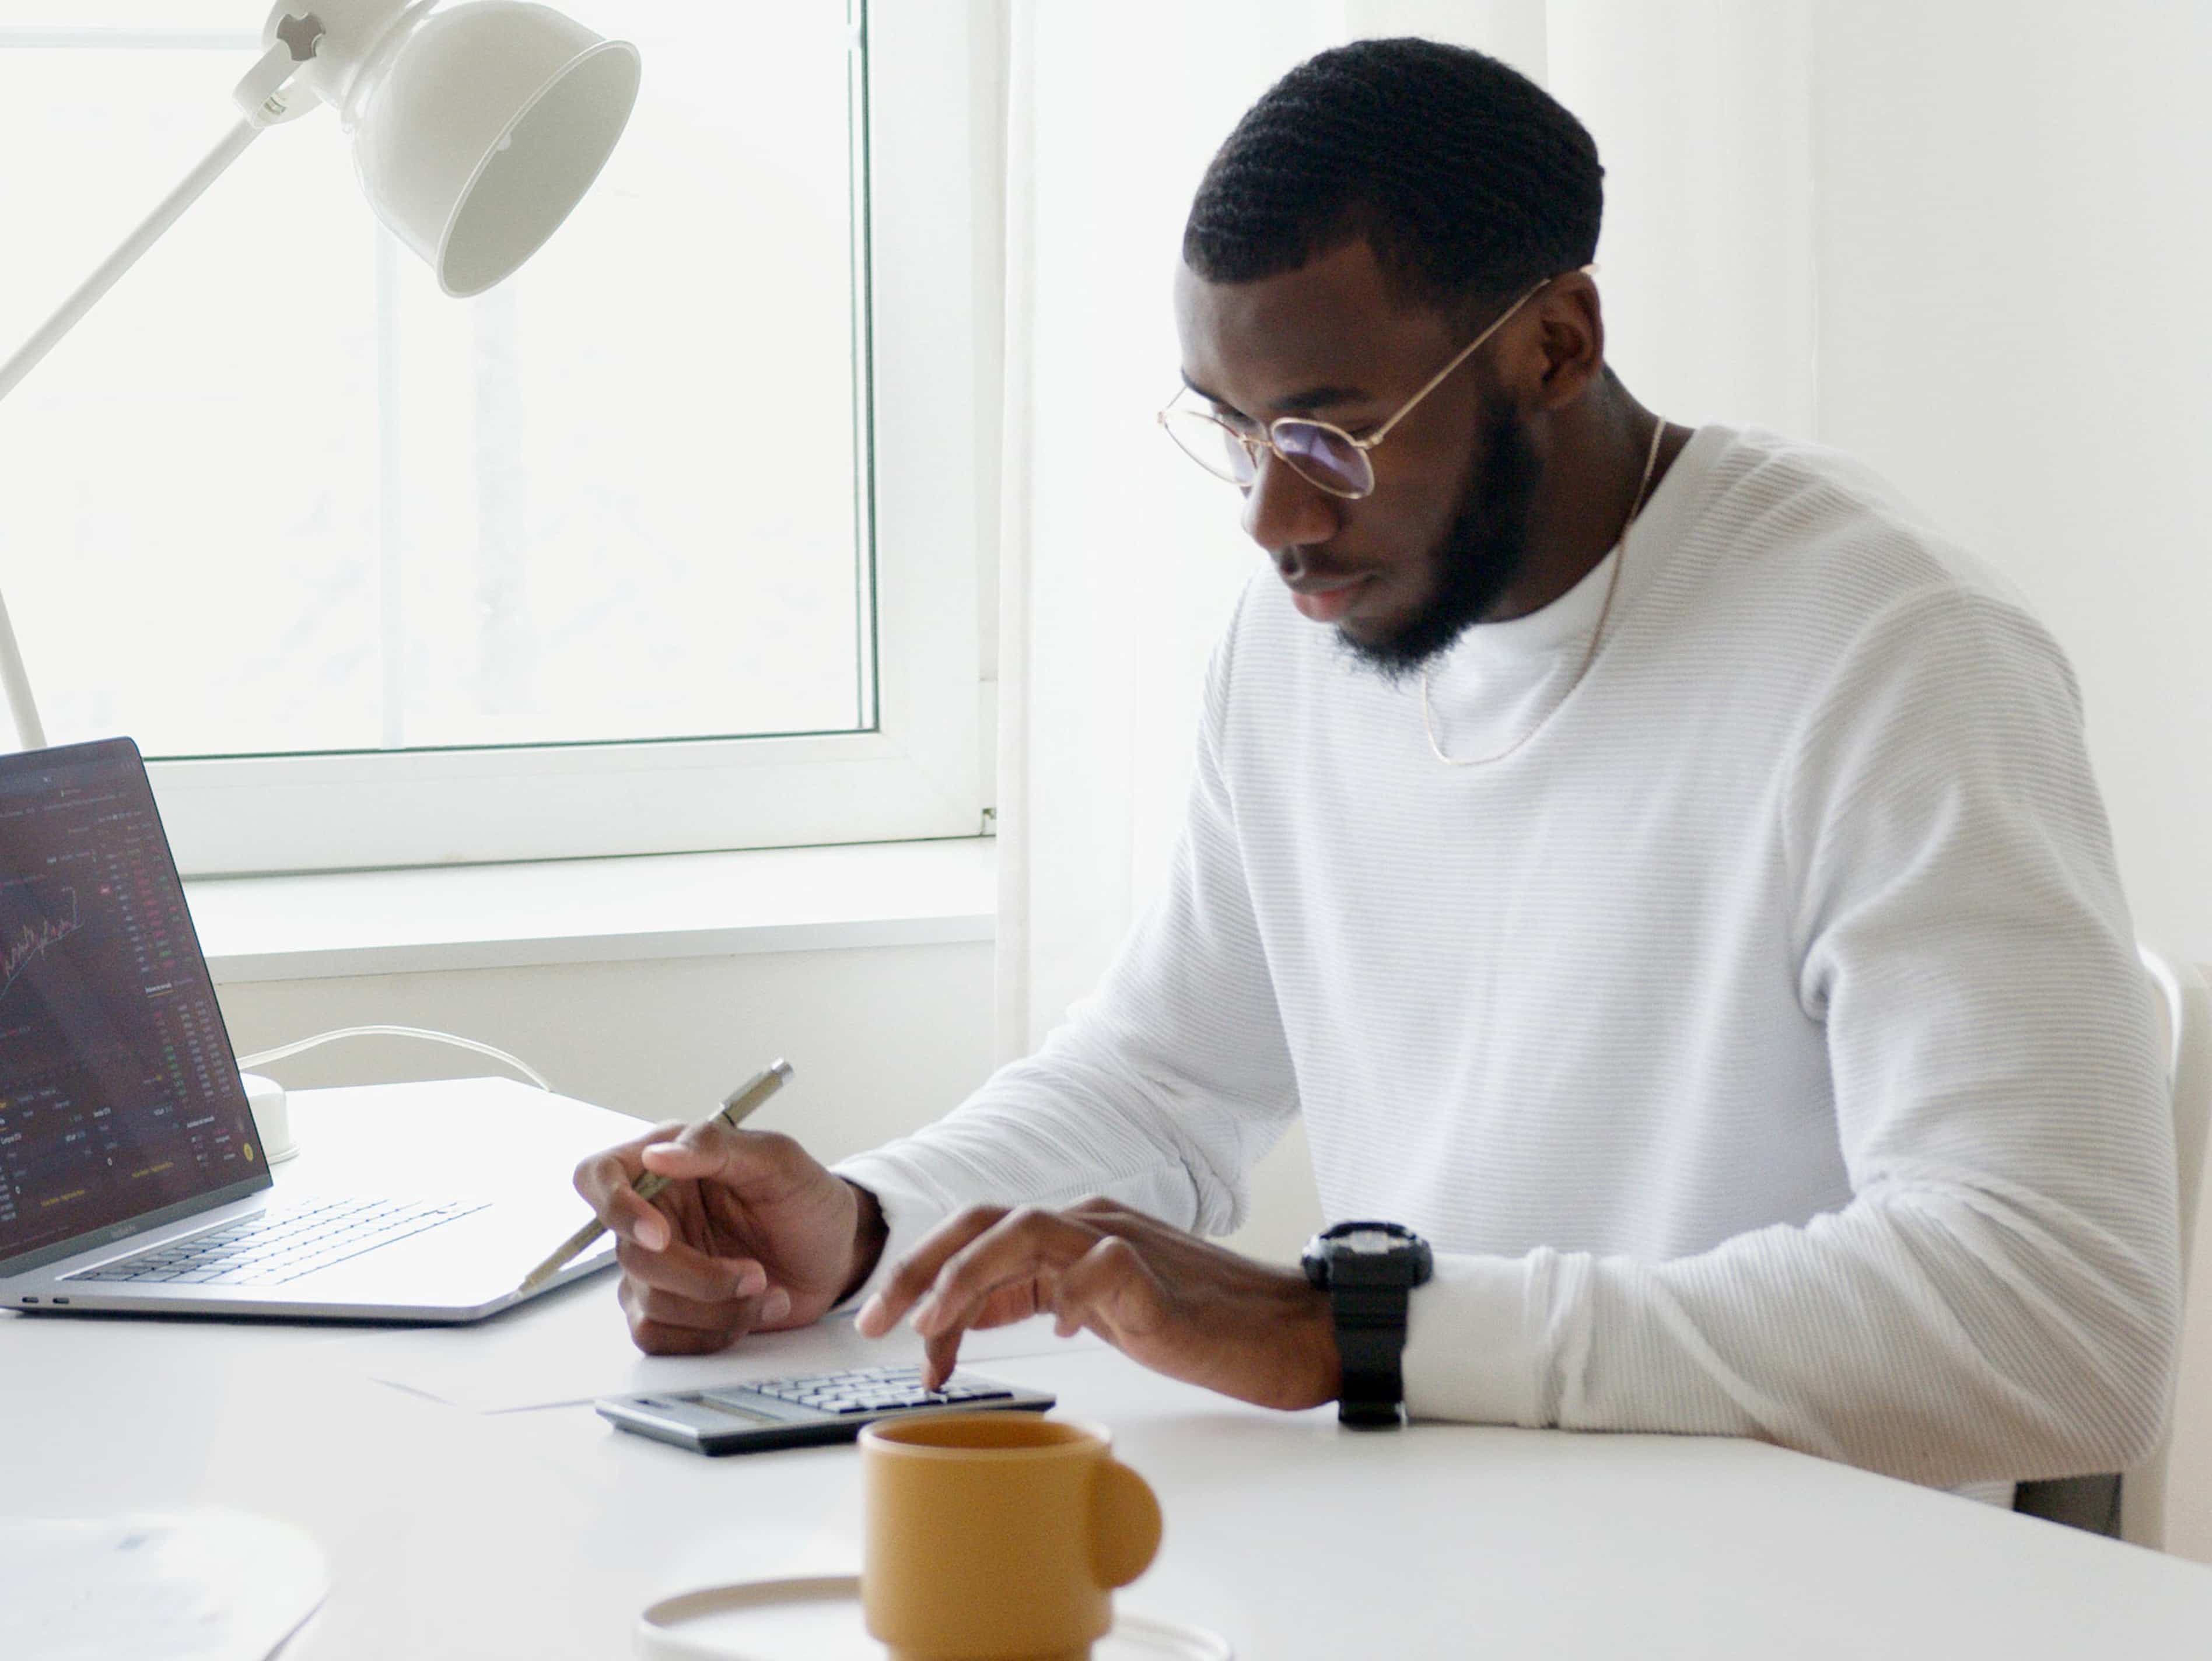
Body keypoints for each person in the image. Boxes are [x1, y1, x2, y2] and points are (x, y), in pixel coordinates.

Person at [573, 37, 2179, 1494]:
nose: (1272, 520)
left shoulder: (1894, 659)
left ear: (1556, 342)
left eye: (1332, 436)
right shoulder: (1304, 644)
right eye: (1234, 428)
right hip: (1438, 1538)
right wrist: (857, 1230)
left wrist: (1363, 1331)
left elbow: (2058, 1321)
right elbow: (1161, 1082)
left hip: (1777, 1588)